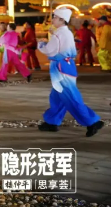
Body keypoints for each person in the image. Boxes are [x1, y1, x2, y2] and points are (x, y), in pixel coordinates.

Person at [37, 8, 104, 137]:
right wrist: (53, 35)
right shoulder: (65, 32)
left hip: (60, 68)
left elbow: (49, 50)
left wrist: (41, 44)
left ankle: (92, 122)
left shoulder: (59, 34)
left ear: (62, 20)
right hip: (65, 66)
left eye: (55, 17)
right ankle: (52, 122)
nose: (53, 19)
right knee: (57, 97)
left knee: (71, 97)